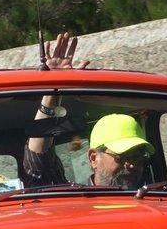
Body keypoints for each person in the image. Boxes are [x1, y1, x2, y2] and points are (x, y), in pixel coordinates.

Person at [23, 32, 155, 190]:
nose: (132, 165)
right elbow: (39, 166)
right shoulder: (75, 202)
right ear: (94, 158)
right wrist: (53, 91)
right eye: (121, 157)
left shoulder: (155, 200)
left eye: (138, 156)